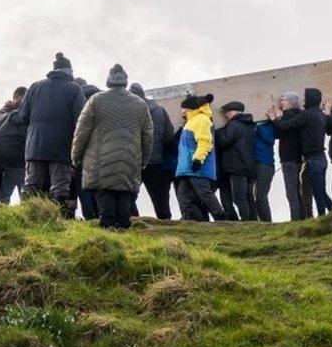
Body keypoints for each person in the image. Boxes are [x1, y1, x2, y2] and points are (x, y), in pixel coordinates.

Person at [71, 65, 152, 230]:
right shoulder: (140, 104)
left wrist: (76, 155)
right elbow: (148, 136)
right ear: (125, 80)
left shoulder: (96, 100)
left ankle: (108, 226)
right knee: (124, 190)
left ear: (109, 80)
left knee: (105, 191)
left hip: (101, 159)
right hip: (129, 158)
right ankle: (123, 225)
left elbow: (82, 131)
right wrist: (144, 159)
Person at [19, 52, 86, 218]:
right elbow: (80, 121)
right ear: (70, 72)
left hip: (35, 145)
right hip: (61, 147)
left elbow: (22, 116)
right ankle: (59, 221)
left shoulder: (35, 87)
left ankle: (25, 218)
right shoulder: (74, 89)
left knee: (32, 184)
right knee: (60, 186)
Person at [271, 88, 332, 216]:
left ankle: (323, 219)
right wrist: (327, 112)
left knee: (317, 192)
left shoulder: (307, 115)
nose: (304, 101)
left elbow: (285, 126)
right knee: (321, 191)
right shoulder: (320, 114)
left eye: (305, 98)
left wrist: (275, 119)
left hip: (313, 159)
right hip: (321, 157)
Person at [175, 93, 226, 221]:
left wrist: (198, 159)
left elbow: (205, 141)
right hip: (188, 168)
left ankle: (221, 219)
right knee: (184, 197)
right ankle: (195, 222)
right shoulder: (191, 121)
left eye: (183, 108)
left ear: (189, 108)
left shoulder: (201, 120)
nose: (181, 111)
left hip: (198, 166)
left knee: (204, 194)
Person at [130, 83, 177, 220]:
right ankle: (166, 225)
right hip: (157, 163)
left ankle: (135, 222)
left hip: (134, 163)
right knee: (161, 200)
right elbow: (169, 137)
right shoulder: (160, 111)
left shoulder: (129, 113)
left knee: (128, 196)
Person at [0, 88, 28, 203]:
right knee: (23, 185)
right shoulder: (32, 119)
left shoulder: (12, 114)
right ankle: (27, 208)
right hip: (13, 153)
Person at [216, 102, 258, 221]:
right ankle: (254, 221)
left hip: (237, 166)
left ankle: (246, 221)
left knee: (239, 198)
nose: (225, 115)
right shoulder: (249, 125)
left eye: (227, 112)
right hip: (249, 165)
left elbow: (224, 141)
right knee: (249, 196)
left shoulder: (233, 124)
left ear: (233, 112)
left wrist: (219, 132)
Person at [269, 92, 305, 221]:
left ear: (291, 102)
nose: (281, 102)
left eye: (284, 100)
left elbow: (281, 130)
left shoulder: (290, 115)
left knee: (291, 190)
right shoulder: (299, 115)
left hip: (289, 157)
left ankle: (295, 218)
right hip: (295, 156)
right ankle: (301, 216)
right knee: (296, 188)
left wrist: (275, 119)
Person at [71, 78, 103, 221]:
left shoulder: (77, 101)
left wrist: (75, 157)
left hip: (84, 154)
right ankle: (104, 217)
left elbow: (79, 133)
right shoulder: (102, 98)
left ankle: (91, 219)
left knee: (85, 189)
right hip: (103, 152)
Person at [254, 118, 276, 222]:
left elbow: (269, 139)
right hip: (256, 164)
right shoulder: (253, 126)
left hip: (265, 165)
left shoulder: (268, 125)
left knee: (261, 195)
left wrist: (258, 126)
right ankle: (260, 221)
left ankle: (266, 222)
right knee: (256, 195)